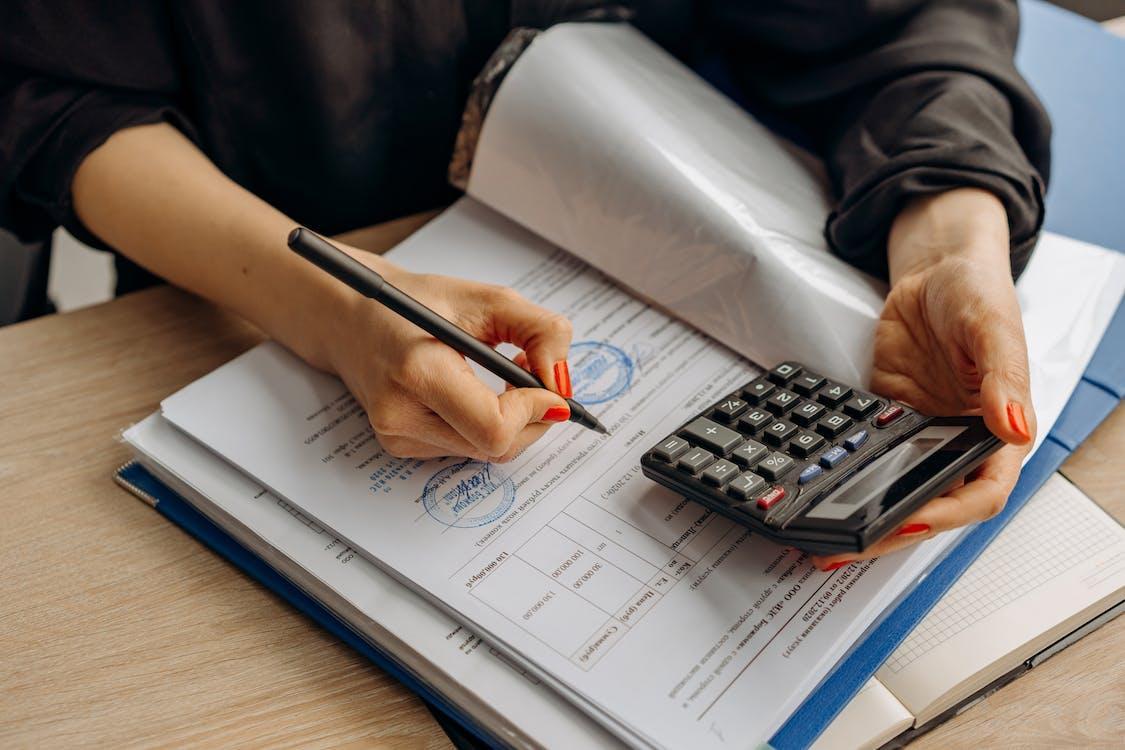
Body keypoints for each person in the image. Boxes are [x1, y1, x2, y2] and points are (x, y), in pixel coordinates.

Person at [0, 1, 1049, 566]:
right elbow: (54, 100)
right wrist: (332, 304)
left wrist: (953, 230)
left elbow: (902, 20)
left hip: (682, 204)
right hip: (250, 254)